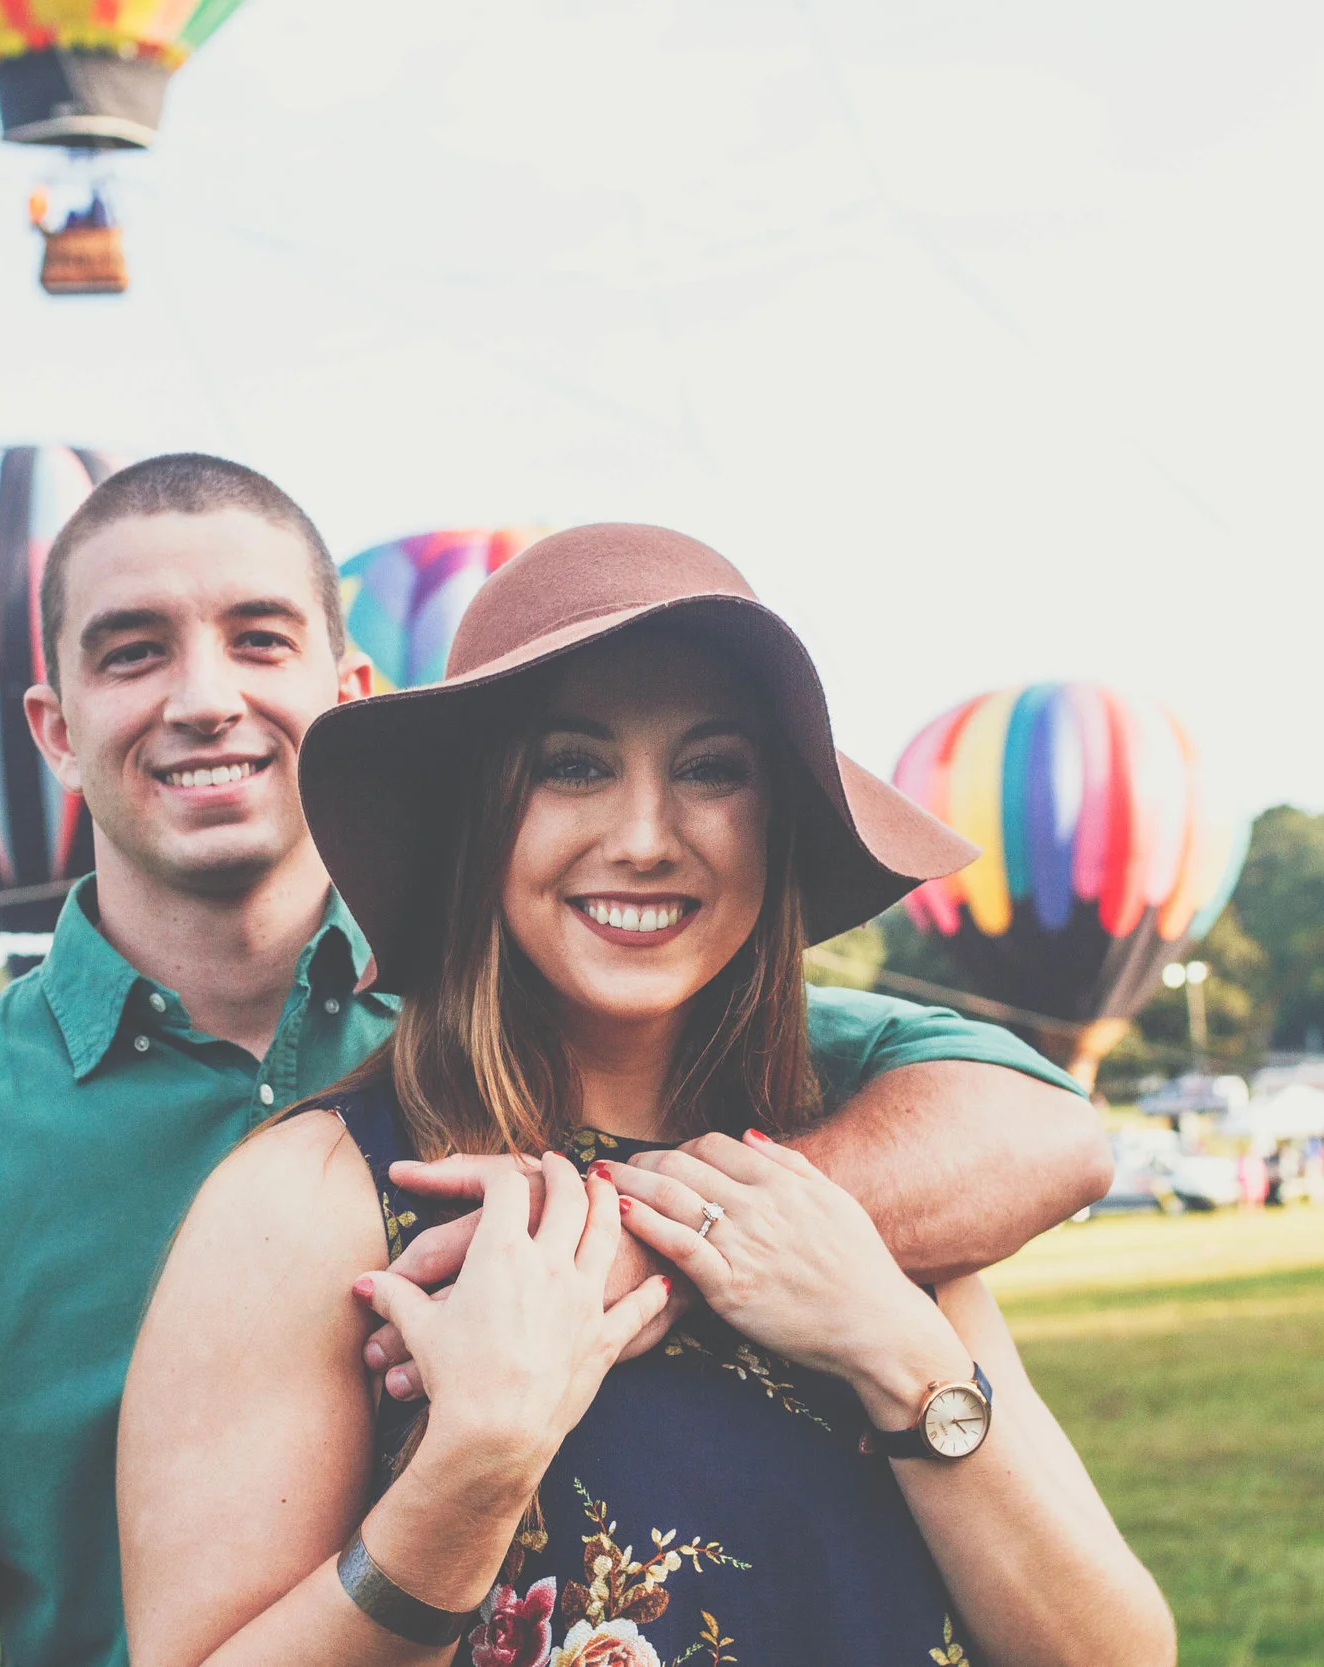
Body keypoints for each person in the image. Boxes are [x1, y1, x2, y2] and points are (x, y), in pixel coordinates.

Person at [0, 460, 1114, 1665]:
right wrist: (476, 1458)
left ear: (347, 695)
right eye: (132, 651)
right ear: (51, 725)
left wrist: (669, 1257)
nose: (205, 697)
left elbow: (1046, 1124)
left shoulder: (735, 1093)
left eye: (258, 637)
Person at [120, 524, 1172, 1666]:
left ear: (776, 821)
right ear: (484, 817)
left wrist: (899, 1353)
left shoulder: (825, 1182)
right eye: (574, 764)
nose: (644, 837)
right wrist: (468, 1477)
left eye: (712, 769)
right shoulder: (311, 1206)